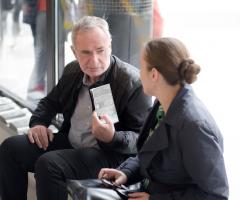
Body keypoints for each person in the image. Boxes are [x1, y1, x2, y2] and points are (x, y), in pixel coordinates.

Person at [0, 16, 152, 200]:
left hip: (109, 154)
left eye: (100, 51)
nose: (94, 60)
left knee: (49, 164)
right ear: (74, 51)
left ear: (110, 46)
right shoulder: (73, 71)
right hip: (73, 142)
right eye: (86, 53)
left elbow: (142, 141)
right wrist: (39, 123)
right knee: (10, 148)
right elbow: (49, 103)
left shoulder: (133, 82)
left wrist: (112, 137)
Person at [98, 37, 229, 200]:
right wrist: (126, 172)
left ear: (154, 74)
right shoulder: (163, 103)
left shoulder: (194, 127)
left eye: (141, 67)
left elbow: (215, 195)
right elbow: (151, 155)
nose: (139, 73)